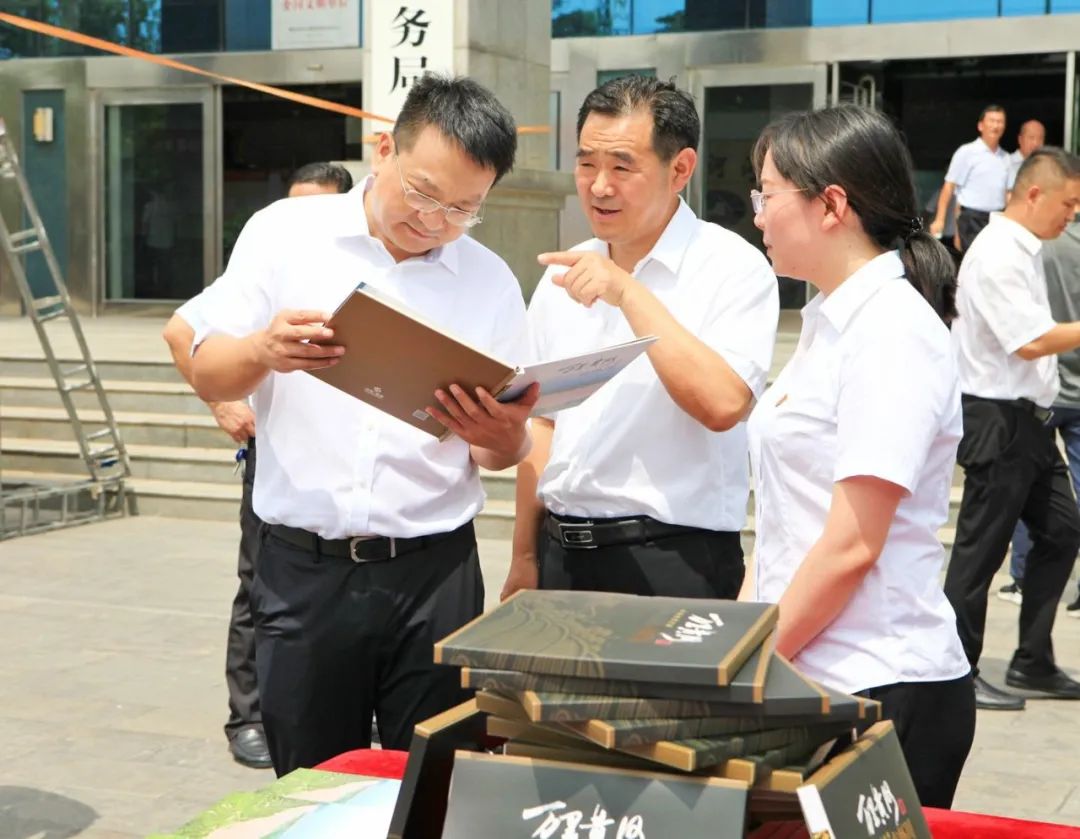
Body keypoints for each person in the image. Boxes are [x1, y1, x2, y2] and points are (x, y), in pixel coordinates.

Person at [186, 74, 538, 775]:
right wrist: (262, 350)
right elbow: (208, 370)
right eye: (422, 193)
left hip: (434, 574)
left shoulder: (490, 279)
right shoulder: (286, 233)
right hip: (302, 573)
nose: (436, 221)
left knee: (433, 781)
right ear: (384, 149)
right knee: (311, 784)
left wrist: (498, 431)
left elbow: (505, 450)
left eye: (464, 209)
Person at [743, 104, 974, 809]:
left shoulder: (891, 332)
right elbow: (790, 522)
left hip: (880, 686)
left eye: (767, 194)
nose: (755, 215)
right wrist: (742, 639)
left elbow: (851, 544)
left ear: (831, 204)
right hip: (809, 674)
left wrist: (743, 664)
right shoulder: (830, 322)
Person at [502, 75, 778, 602]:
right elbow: (540, 421)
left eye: (622, 166)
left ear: (681, 169)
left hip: (673, 559)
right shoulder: (562, 274)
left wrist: (628, 293)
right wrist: (525, 555)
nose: (599, 185)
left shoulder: (731, 267)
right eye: (586, 164)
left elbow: (723, 404)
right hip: (560, 554)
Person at [162, 162, 354, 770]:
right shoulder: (274, 262)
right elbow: (181, 331)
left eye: (317, 209)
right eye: (294, 207)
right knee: (258, 585)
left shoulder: (365, 270)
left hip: (347, 476)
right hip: (279, 464)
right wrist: (224, 402)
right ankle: (248, 715)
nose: (302, 221)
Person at [945, 147, 1080, 713]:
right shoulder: (998, 253)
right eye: (1068, 203)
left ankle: (1031, 660)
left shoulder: (1023, 250)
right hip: (997, 420)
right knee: (979, 555)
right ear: (1034, 194)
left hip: (1028, 420)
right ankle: (955, 672)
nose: (1071, 215)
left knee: (1062, 530)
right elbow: (1027, 341)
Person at [1003, 216, 1080, 610]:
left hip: (1044, 391)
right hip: (1047, 393)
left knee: (1038, 500)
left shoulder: (1039, 246)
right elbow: (1030, 337)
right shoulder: (1025, 246)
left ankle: (1020, 579)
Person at [930, 105, 1009, 253]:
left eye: (1000, 121)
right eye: (992, 121)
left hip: (997, 219)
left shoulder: (1006, 158)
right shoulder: (966, 152)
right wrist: (940, 219)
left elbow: (1008, 194)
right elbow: (949, 187)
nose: (996, 125)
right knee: (973, 260)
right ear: (980, 126)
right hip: (971, 219)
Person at [1007, 119, 1047, 195]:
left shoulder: (1045, 167)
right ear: (1020, 139)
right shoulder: (1007, 163)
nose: (1036, 143)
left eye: (1040, 138)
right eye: (1031, 137)